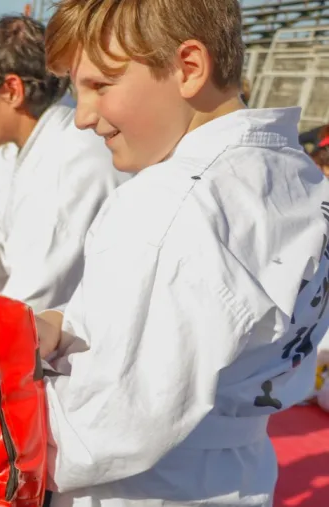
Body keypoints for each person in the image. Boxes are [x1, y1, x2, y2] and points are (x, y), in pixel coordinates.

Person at [28, 0, 329, 504]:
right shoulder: (300, 178)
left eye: (100, 85)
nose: (82, 117)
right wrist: (69, 323)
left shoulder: (169, 203)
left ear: (189, 68)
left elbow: (99, 429)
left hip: (141, 489)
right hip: (241, 472)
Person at [0, 17, 127, 311]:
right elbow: (8, 249)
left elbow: (34, 301)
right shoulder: (19, 154)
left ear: (12, 90)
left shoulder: (70, 165)